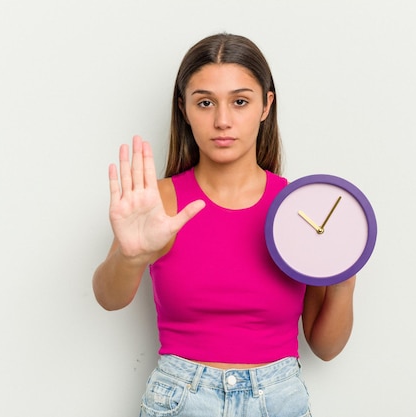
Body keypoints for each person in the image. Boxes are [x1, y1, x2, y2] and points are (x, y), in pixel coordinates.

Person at [93, 33, 356, 417]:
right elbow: (108, 298)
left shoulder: (297, 210)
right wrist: (131, 258)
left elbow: (325, 347)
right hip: (181, 399)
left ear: (266, 105)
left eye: (240, 101)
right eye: (205, 102)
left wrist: (344, 278)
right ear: (184, 108)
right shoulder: (160, 201)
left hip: (279, 398)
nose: (222, 120)